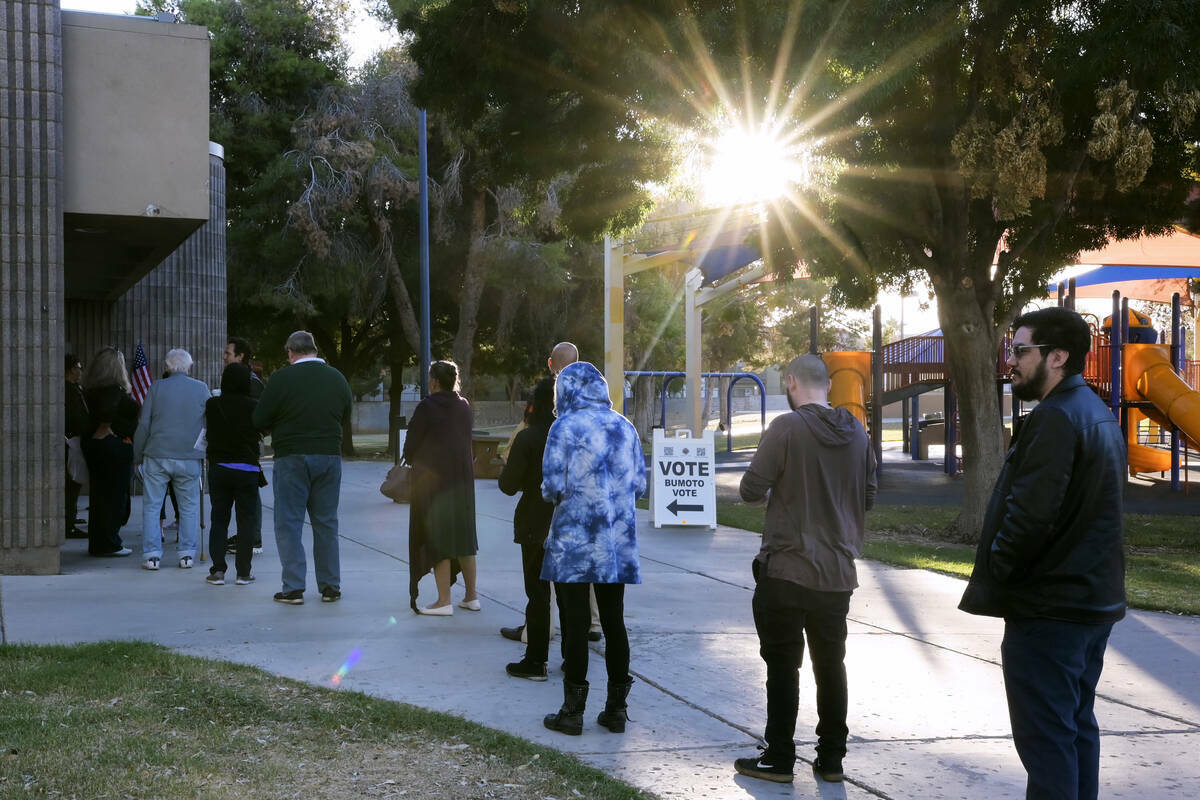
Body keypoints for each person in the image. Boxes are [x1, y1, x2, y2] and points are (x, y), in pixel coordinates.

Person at [959, 307, 1126, 800]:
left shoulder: (1056, 418)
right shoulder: (1095, 411)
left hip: (1050, 609)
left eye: (1020, 351)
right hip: (1088, 603)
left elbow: (1030, 517)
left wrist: (1002, 573)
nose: (1011, 361)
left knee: (1048, 739)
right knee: (1074, 729)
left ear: (1058, 356)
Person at [734, 354, 877, 784]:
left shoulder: (786, 428)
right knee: (831, 665)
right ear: (829, 386)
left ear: (792, 382)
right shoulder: (858, 434)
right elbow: (868, 497)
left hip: (787, 568)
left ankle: (779, 757)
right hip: (837, 573)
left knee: (783, 667)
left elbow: (749, 489)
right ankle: (831, 758)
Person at [540, 362, 646, 736]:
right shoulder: (625, 426)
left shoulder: (564, 427)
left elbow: (551, 486)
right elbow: (640, 484)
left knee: (575, 623)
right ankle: (616, 709)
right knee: (614, 620)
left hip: (573, 540)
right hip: (615, 541)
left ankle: (572, 712)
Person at [253, 331, 353, 605]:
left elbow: (260, 418)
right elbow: (345, 414)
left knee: (289, 523)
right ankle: (330, 586)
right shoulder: (337, 378)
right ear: (315, 350)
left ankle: (294, 587)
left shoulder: (282, 379)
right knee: (326, 523)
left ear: (290, 352)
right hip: (329, 455)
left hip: (292, 456)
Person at [403, 359, 480, 615]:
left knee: (440, 538)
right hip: (463, 482)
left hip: (436, 483)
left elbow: (411, 442)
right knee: (465, 539)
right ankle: (471, 596)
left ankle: (443, 600)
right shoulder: (464, 406)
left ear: (434, 381)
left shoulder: (428, 406)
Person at [498, 377, 555, 680]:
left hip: (536, 521)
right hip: (570, 521)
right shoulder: (573, 437)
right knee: (572, 597)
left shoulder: (530, 437)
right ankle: (573, 660)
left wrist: (504, 469)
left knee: (538, 593)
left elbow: (509, 486)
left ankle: (536, 660)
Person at [134, 348, 210, 571]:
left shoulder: (156, 388)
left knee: (152, 505)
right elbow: (207, 424)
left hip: (157, 454)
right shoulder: (201, 388)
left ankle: (152, 554)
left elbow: (144, 424)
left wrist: (138, 455)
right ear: (189, 367)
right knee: (188, 506)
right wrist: (202, 450)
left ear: (167, 366)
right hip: (188, 456)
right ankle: (187, 554)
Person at [203, 362, 263, 587]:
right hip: (246, 468)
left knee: (219, 519)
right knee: (246, 520)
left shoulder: (212, 404)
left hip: (219, 467)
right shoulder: (253, 406)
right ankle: (243, 573)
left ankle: (218, 570)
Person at [80, 347, 138, 557]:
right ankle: (109, 542)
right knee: (114, 496)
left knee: (100, 495)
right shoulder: (114, 391)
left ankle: (100, 542)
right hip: (111, 447)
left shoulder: (91, 391)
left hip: (96, 446)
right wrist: (107, 427)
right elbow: (108, 413)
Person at [222, 336, 264, 556]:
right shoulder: (241, 379)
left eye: (228, 354)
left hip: (247, 446)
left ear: (240, 356)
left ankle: (253, 537)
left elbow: (260, 416)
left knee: (250, 493)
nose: (224, 357)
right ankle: (247, 535)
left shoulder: (251, 382)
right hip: (236, 446)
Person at [65, 353, 90, 540]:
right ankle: (68, 524)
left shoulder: (76, 388)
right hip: (70, 440)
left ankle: (71, 518)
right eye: (79, 367)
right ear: (71, 369)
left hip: (76, 440)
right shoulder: (68, 390)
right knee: (71, 483)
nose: (81, 371)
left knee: (75, 482)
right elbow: (76, 417)